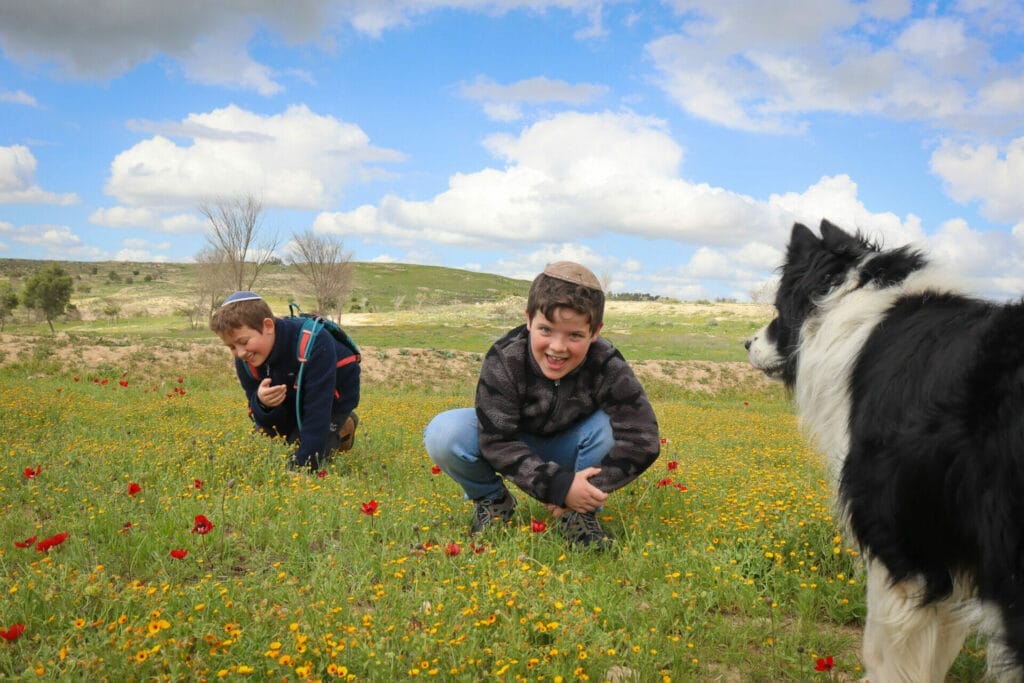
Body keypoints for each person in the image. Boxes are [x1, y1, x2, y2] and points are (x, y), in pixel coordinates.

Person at [424, 262, 660, 549]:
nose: (557, 347)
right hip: (514, 440)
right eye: (546, 330)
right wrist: (557, 487)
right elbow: (497, 441)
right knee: (444, 432)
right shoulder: (504, 357)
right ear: (528, 319)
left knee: (609, 427)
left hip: (574, 446)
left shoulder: (607, 362)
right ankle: (492, 501)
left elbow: (643, 437)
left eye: (574, 335)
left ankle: (578, 514)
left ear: (595, 332)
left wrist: (581, 492)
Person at [210, 291, 360, 471]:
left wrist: (303, 467)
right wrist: (262, 403)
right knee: (263, 449)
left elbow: (317, 410)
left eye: (244, 341)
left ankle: (343, 426)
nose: (240, 352)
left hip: (332, 399)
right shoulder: (246, 359)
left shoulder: (315, 342)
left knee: (302, 448)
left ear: (268, 326)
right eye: (232, 347)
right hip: (293, 393)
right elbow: (256, 412)